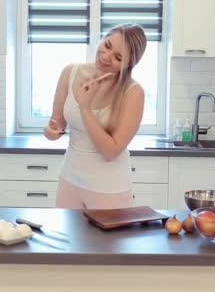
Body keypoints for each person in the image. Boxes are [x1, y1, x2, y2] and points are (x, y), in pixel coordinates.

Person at [43, 24, 147, 210]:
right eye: (107, 45)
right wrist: (51, 130)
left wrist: (85, 107)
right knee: (67, 239)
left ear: (129, 63)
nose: (106, 56)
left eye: (118, 57)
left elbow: (110, 152)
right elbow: (57, 122)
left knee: (106, 240)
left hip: (109, 188)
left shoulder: (133, 93)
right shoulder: (70, 73)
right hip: (70, 179)